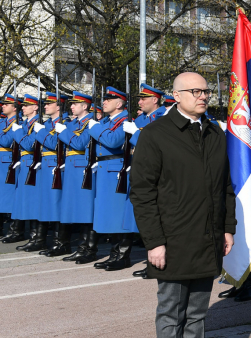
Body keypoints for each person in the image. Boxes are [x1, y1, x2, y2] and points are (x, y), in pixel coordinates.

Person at [131, 72, 235, 338]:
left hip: (207, 238)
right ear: (176, 96)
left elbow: (225, 187)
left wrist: (227, 227)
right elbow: (142, 194)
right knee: (171, 313)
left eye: (206, 90)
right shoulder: (155, 134)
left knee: (197, 313)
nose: (203, 96)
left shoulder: (214, 133)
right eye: (195, 91)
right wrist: (154, 242)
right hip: (173, 240)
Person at [80, 87, 130, 268]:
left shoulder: (124, 120)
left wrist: (95, 128)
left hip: (116, 170)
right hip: (104, 168)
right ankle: (114, 254)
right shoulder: (109, 120)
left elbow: (113, 141)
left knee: (118, 214)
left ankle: (123, 256)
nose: (104, 102)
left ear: (119, 104)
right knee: (109, 213)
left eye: (108, 100)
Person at [122, 83, 168, 278]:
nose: (139, 102)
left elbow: (156, 143)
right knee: (145, 216)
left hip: (158, 173)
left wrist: (136, 133)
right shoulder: (142, 118)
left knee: (158, 216)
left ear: (155, 100)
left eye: (143, 98)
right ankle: (152, 260)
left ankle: (159, 262)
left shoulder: (163, 117)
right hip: (142, 171)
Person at [56, 91, 97, 261]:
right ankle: (81, 247)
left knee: (86, 209)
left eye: (75, 104)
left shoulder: (91, 123)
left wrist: (63, 132)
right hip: (73, 167)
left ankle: (88, 249)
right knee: (77, 209)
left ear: (85, 106)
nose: (71, 106)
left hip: (83, 168)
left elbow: (80, 143)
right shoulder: (74, 122)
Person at [34, 93, 68, 256]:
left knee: (57, 204)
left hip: (57, 164)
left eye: (49, 103)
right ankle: (46, 240)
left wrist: (40, 133)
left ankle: (61, 242)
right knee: (47, 203)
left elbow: (55, 144)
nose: (45, 106)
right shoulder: (48, 123)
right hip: (46, 165)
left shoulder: (65, 122)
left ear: (59, 106)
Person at [13, 94, 45, 252]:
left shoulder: (39, 124)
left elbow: (30, 145)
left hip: (34, 165)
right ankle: (33, 237)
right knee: (27, 203)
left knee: (34, 203)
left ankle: (37, 239)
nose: (22, 108)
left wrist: (17, 133)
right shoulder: (26, 123)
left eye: (26, 105)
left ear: (35, 107)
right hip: (25, 164)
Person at [0, 94, 22, 241]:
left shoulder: (17, 122)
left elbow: (6, 141)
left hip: (8, 161)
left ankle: (16, 230)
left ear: (14, 108)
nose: (3, 106)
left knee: (12, 197)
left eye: (6, 104)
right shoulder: (4, 123)